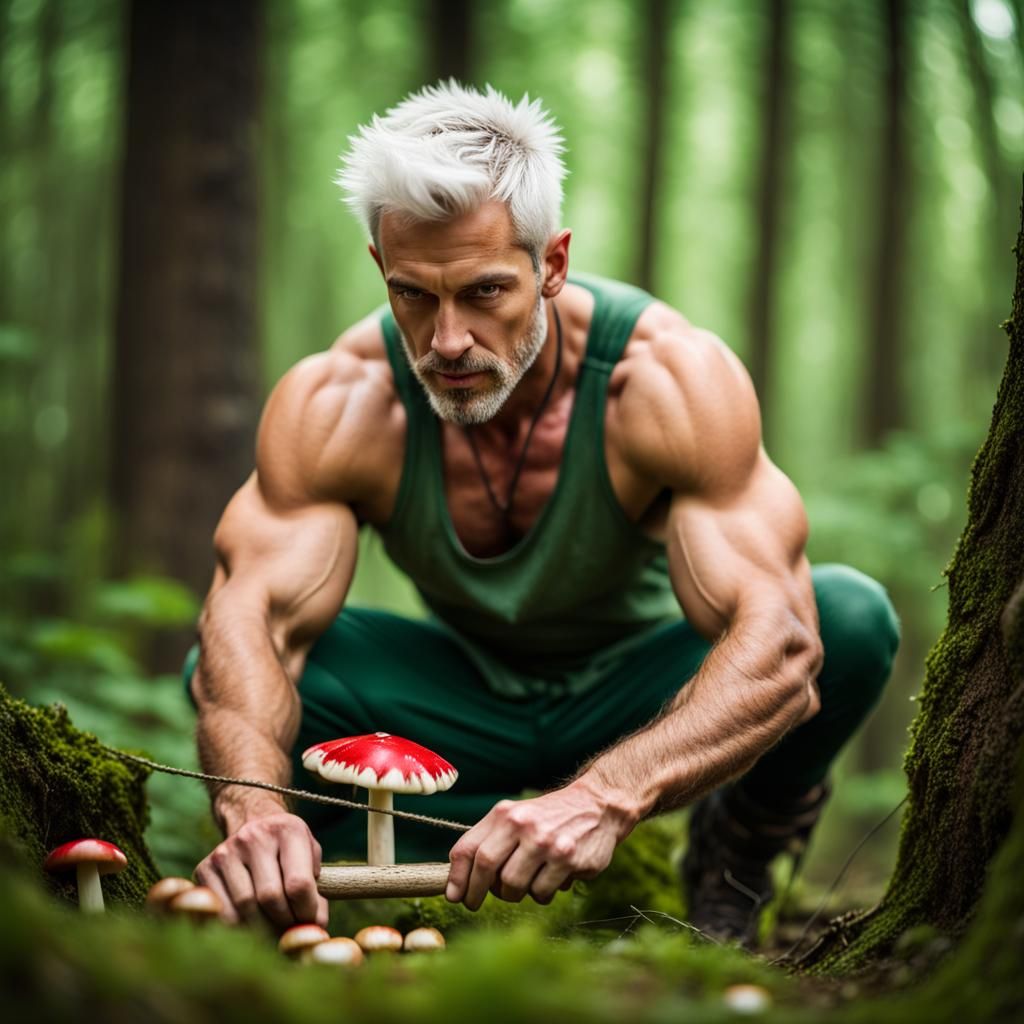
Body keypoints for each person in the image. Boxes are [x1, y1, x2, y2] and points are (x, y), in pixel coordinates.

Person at [182, 81, 900, 948]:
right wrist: (253, 806)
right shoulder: (341, 402)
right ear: (381, 267)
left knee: (848, 616)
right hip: (459, 712)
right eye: (415, 294)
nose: (447, 340)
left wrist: (603, 795)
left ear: (550, 265)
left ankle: (729, 857)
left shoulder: (665, 383)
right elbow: (249, 615)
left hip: (638, 697)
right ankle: (379, 853)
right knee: (227, 651)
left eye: (484, 292)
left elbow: (782, 645)